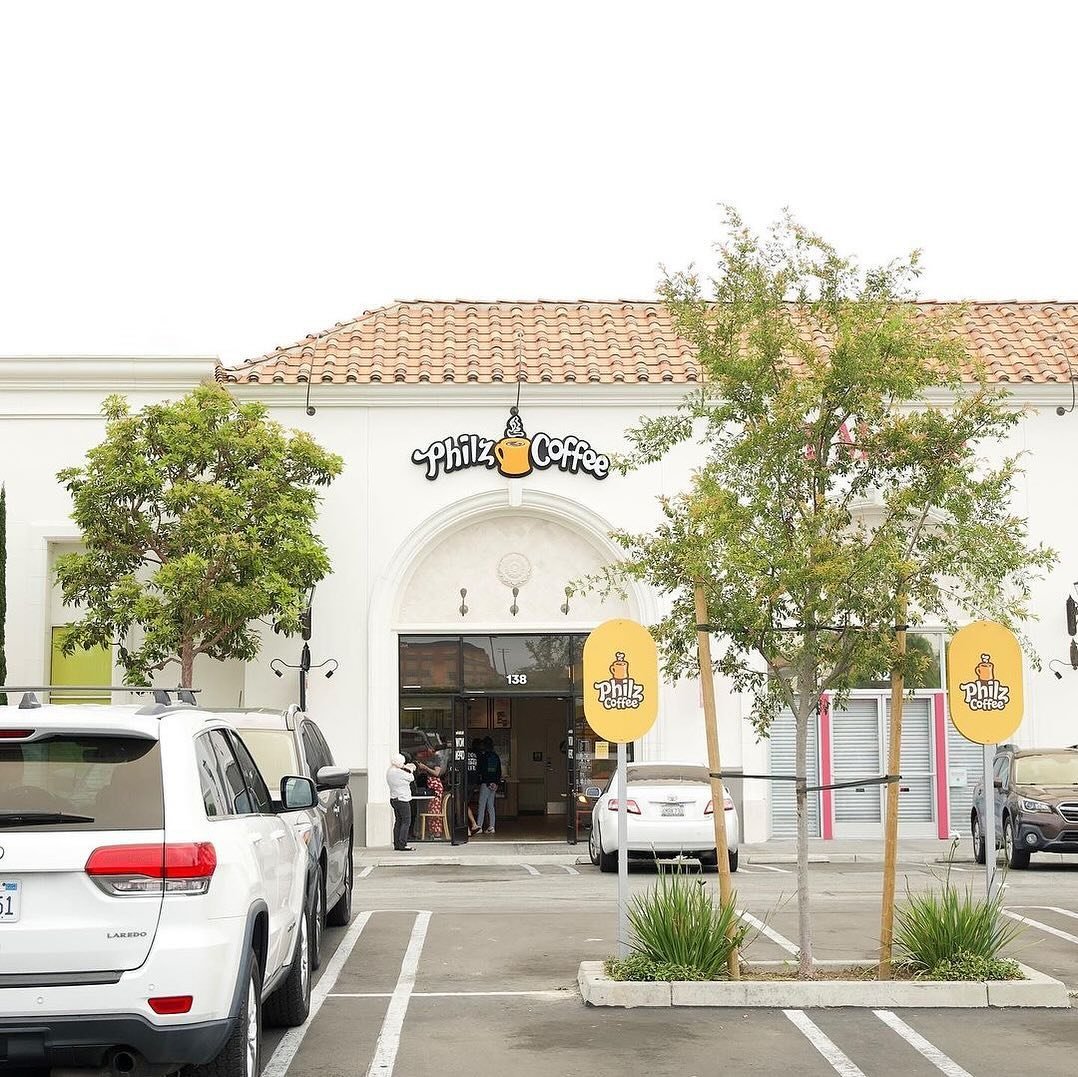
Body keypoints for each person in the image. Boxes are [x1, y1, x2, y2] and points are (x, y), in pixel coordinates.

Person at [416, 739, 451, 839]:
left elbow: (437, 773)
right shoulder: (428, 758)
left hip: (435, 786)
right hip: (429, 785)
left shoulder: (437, 758)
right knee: (430, 809)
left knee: (434, 810)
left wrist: (425, 768)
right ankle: (431, 831)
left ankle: (437, 832)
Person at [386, 753, 416, 851]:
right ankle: (403, 843)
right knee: (406, 821)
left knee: (398, 821)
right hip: (403, 799)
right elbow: (411, 777)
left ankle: (397, 844)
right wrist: (409, 768)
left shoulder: (390, 771)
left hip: (394, 798)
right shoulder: (399, 772)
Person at [475, 736, 502, 835]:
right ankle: (492, 826)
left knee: (482, 805)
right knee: (491, 805)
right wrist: (496, 782)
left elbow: (482, 770)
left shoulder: (483, 756)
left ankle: (479, 826)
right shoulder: (496, 756)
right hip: (494, 785)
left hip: (486, 784)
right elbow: (499, 771)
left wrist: (487, 782)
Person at [466, 737, 482, 835]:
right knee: (464, 805)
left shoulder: (463, 754)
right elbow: (480, 769)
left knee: (462, 805)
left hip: (464, 783)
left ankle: (470, 826)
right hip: (473, 783)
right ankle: (472, 825)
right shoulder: (478, 755)